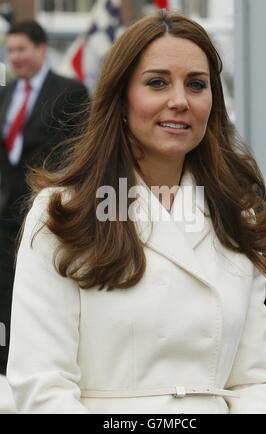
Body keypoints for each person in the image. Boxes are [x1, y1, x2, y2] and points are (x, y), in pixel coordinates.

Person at [7, 11, 266, 414]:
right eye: (157, 82)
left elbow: (257, 379)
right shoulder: (62, 214)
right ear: (121, 98)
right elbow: (42, 385)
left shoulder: (235, 213)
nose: (179, 100)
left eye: (196, 84)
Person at [0, 20, 89, 381]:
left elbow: (75, 155)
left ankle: (38, 365)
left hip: (44, 213)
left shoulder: (70, 92)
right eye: (9, 51)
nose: (14, 57)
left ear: (40, 49)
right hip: (4, 217)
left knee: (39, 292)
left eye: (21, 49)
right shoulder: (5, 93)